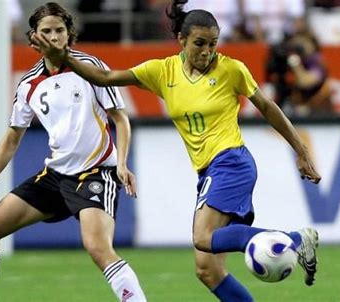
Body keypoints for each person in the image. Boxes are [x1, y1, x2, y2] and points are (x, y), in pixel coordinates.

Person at [31, 0, 322, 301]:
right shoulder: (162, 71)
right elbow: (105, 78)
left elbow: (267, 106)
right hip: (208, 170)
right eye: (199, 44)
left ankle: (294, 239)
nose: (207, 52)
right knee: (207, 270)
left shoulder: (231, 69)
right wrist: (64, 58)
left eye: (212, 44)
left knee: (202, 237)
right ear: (182, 40)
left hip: (231, 162)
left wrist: (300, 150)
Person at [0, 3, 147, 302]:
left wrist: (122, 163)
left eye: (59, 30)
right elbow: (12, 136)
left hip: (95, 172)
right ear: (34, 37)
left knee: (98, 248)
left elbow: (120, 118)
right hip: (56, 175)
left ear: (69, 34)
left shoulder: (90, 67)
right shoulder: (28, 85)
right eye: (46, 31)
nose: (53, 37)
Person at [267, 31, 333, 116]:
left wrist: (295, 64)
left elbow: (305, 82)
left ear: (312, 45)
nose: (299, 47)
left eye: (303, 43)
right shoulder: (296, 59)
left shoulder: (316, 60)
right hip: (296, 106)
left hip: (317, 113)